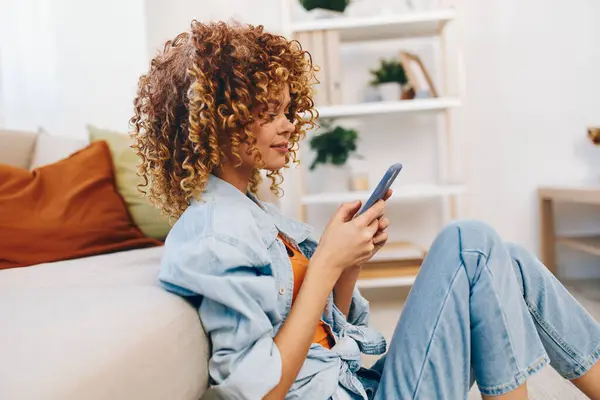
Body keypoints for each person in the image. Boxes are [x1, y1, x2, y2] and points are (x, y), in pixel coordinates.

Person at [130, 21, 600, 400]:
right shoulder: (213, 234)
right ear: (217, 122)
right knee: (470, 245)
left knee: (507, 258)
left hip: (361, 386)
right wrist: (326, 264)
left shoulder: (256, 216)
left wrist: (347, 267)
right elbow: (261, 390)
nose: (289, 125)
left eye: (289, 109)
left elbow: (325, 336)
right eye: (269, 112)